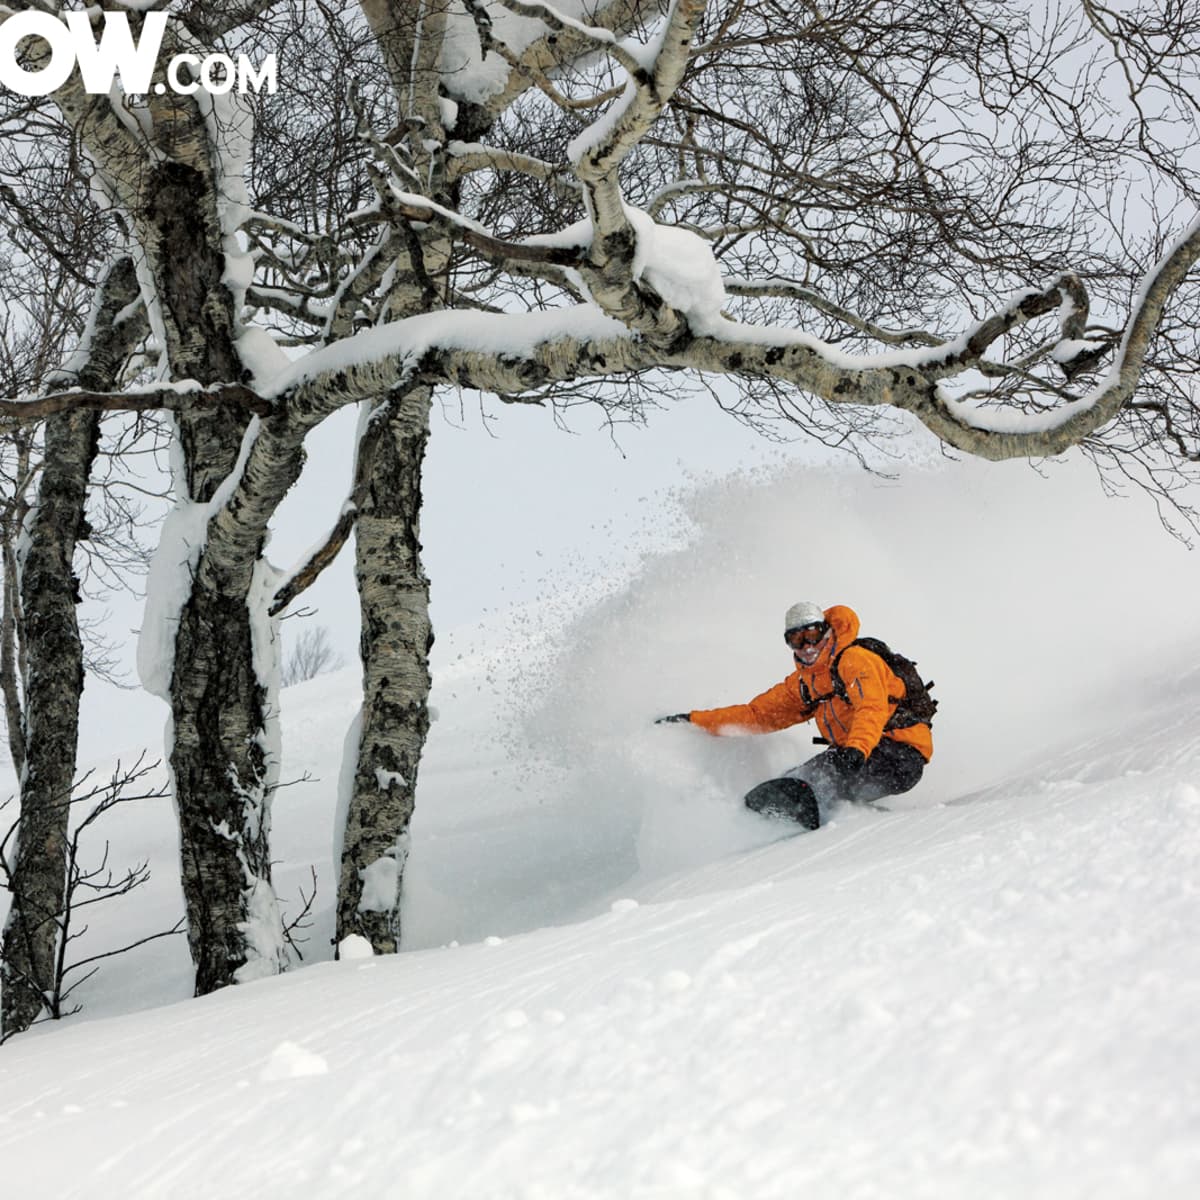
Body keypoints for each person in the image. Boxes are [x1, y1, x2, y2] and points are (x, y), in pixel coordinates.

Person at [656, 602, 932, 830]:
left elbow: (870, 708)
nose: (807, 646)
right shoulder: (805, 683)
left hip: (900, 754)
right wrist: (694, 720)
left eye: (811, 635)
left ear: (825, 632)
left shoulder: (855, 660)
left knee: (820, 776)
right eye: (797, 640)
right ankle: (843, 821)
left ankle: (810, 815)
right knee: (793, 779)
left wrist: (857, 749)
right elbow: (757, 715)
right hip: (857, 757)